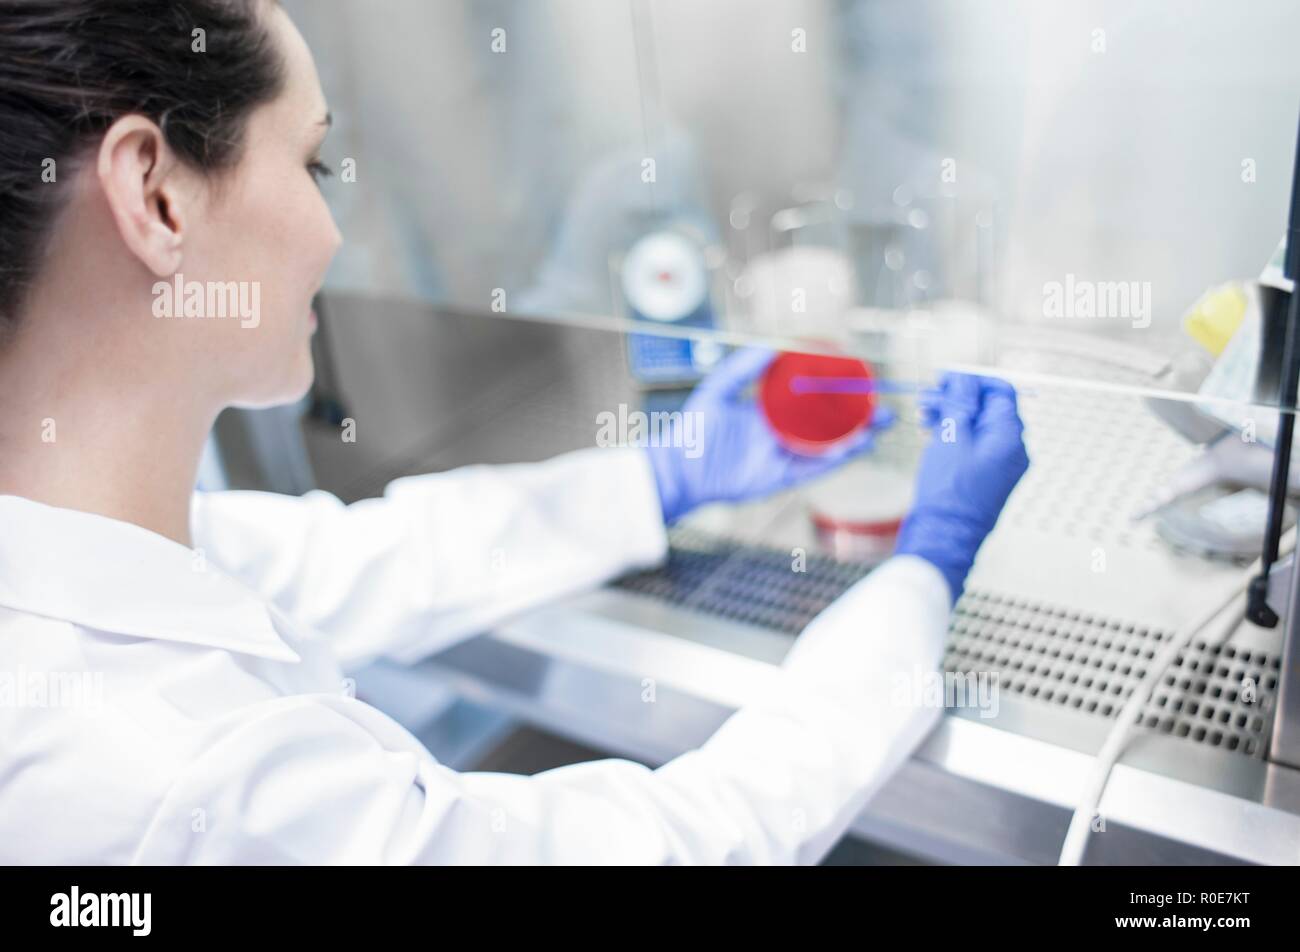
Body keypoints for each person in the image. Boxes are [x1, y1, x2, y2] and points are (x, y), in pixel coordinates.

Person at [0, 0, 1029, 864]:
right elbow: (685, 839)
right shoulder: (185, 780)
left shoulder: (73, 568)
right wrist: (923, 573)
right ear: (157, 196)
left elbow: (365, 557)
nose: (332, 229)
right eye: (314, 163)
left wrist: (667, 477)